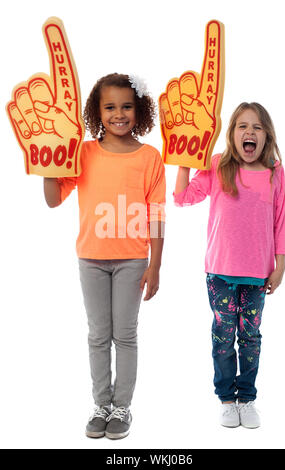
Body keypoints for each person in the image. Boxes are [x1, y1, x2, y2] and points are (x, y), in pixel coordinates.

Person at [43, 73, 166, 439]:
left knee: (125, 335)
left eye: (126, 106)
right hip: (91, 259)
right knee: (98, 335)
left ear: (139, 110)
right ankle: (101, 405)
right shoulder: (82, 152)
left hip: (132, 260)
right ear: (97, 111)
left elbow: (157, 213)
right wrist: (45, 161)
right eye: (110, 106)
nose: (119, 114)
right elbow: (52, 199)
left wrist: (155, 264)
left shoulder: (150, 157)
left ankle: (122, 408)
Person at [173, 102, 285, 429]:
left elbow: (281, 221)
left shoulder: (274, 173)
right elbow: (183, 197)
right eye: (242, 126)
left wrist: (280, 264)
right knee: (224, 334)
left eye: (256, 127)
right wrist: (184, 162)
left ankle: (247, 397)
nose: (249, 132)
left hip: (257, 274)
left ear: (266, 135)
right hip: (220, 272)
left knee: (250, 336)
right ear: (232, 133)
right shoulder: (217, 166)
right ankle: (226, 398)